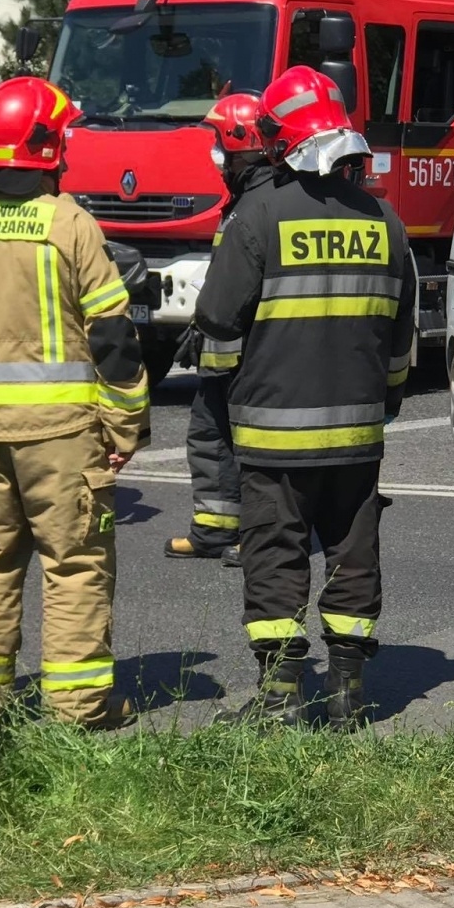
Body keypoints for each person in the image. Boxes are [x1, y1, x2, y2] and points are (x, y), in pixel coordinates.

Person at [0, 76, 150, 729]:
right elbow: (114, 338)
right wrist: (125, 428)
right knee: (74, 566)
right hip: (62, 436)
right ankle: (77, 709)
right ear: (48, 147)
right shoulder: (70, 225)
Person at [194, 66, 416, 729]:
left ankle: (279, 698)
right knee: (353, 557)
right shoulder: (385, 221)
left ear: (279, 140)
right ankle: (348, 694)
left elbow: (216, 321)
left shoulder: (256, 216)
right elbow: (402, 343)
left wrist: (232, 397)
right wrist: (385, 403)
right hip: (356, 439)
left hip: (271, 434)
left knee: (275, 556)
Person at [164, 93, 271, 566]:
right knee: (207, 436)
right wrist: (199, 327)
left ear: (240, 141)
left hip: (251, 354)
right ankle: (212, 529)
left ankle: (259, 536)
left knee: (252, 447)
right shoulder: (239, 199)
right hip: (219, 350)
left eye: (219, 144)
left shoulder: (261, 202)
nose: (216, 156)